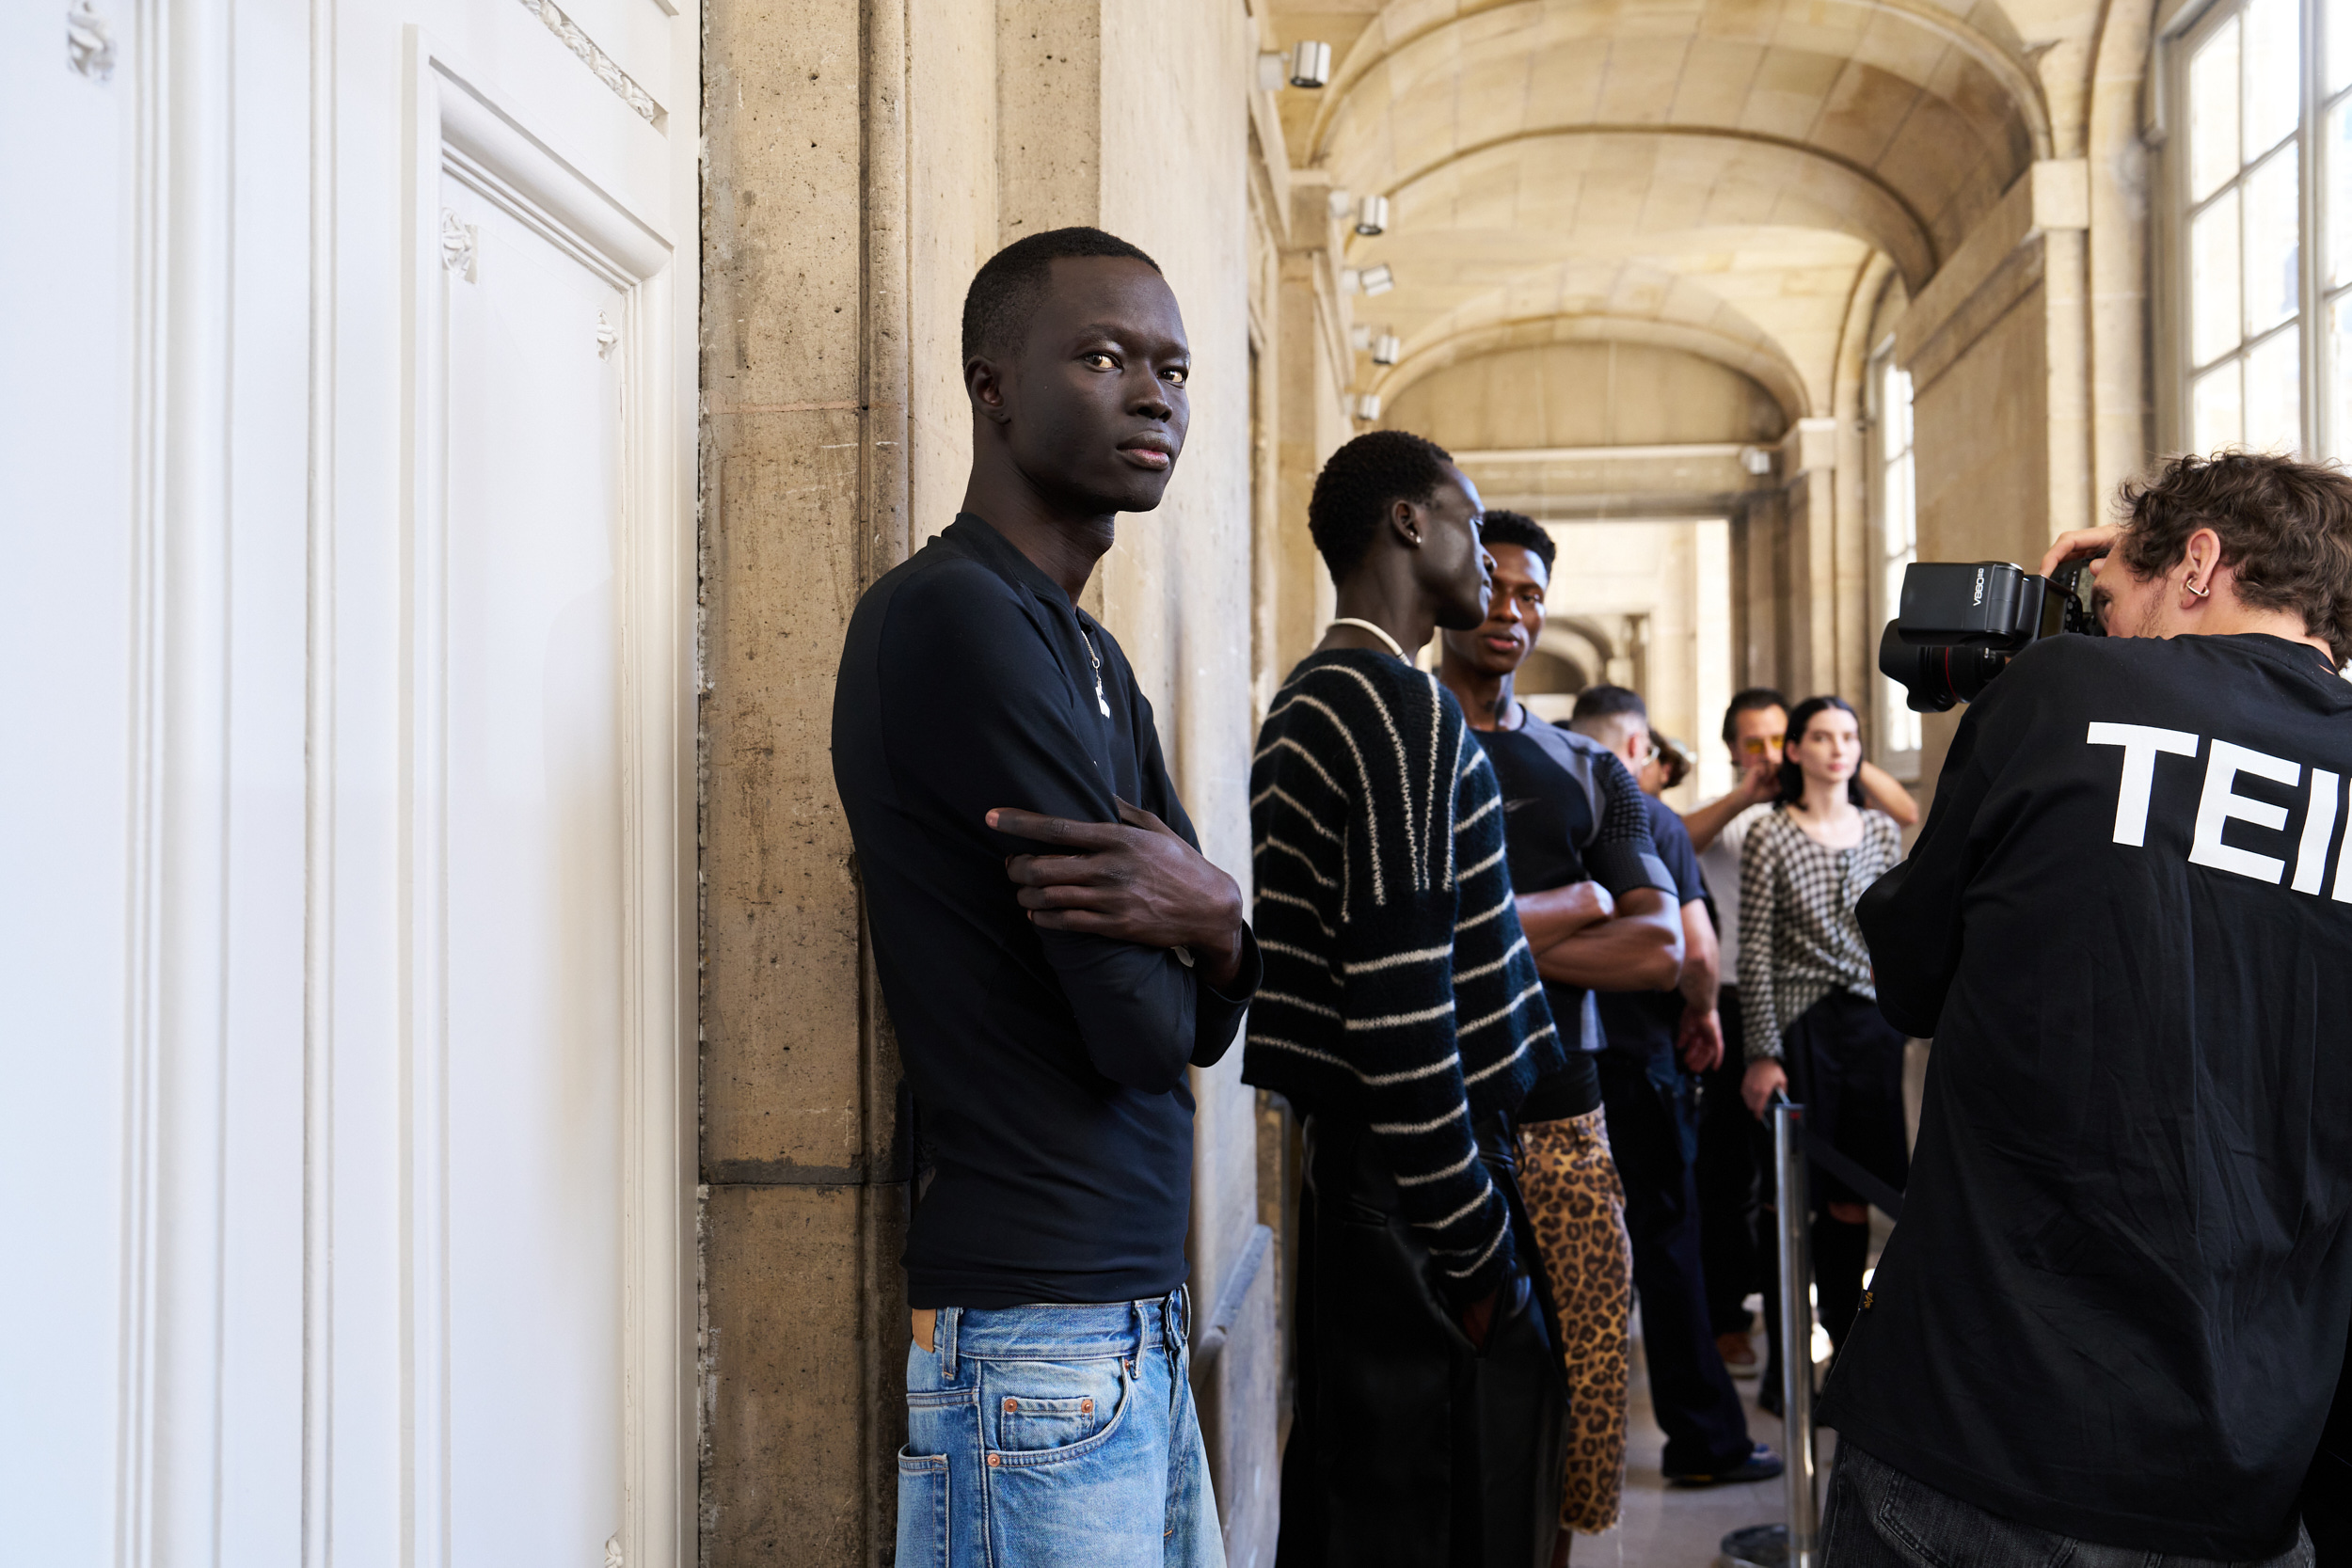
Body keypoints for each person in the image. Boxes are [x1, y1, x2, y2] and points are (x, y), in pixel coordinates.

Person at [1819, 451, 2352, 1565]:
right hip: (2243, 1459)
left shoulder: (2063, 690)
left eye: (2110, 603)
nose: (2105, 629)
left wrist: (2054, 662)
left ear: (2197, 561)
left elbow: (1908, 975)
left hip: (1986, 1422)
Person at [832, 227, 1263, 1568]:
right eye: (1103, 355)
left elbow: (1200, 1009)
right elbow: (1139, 1029)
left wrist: (1214, 914)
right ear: (992, 382)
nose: (1156, 393)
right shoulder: (953, 616)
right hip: (1034, 1334)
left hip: (1117, 1315)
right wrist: (1204, 932)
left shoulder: (1091, 654)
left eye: (1175, 367)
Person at [1247, 437, 1567, 1568]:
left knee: (1364, 1509)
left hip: (1368, 1186)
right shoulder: (1399, 711)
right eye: (1470, 524)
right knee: (1439, 1524)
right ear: (1405, 525)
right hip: (1421, 1191)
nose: (1488, 555)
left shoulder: (1308, 698)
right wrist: (1478, 1251)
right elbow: (1400, 1021)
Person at [1433, 512, 1682, 1542]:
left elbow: (1659, 946)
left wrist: (1468, 942)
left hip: (1561, 1103)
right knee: (1437, 1388)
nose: (1510, 609)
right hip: (1429, 1101)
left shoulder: (1589, 766)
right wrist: (1574, 903)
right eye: (1491, 585)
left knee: (1581, 1382)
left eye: (1530, 593)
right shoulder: (1404, 746)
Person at [1566, 686, 1783, 1489]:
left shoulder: (1543, 816)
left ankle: (1566, 1445)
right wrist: (1705, 1017)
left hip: (1552, 1067)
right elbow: (1695, 956)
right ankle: (1702, 1438)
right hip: (1643, 1065)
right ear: (1633, 751)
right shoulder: (1649, 822)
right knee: (1665, 1249)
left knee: (1568, 1256)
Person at [1683, 693, 1917, 1392]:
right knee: (1791, 1194)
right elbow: (1752, 950)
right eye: (1821, 736)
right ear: (1797, 750)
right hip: (1798, 1022)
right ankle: (1788, 1366)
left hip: (1870, 1027)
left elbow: (1894, 927)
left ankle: (1845, 1361)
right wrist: (1761, 1052)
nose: (1837, 747)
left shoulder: (1880, 830)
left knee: (1852, 1199)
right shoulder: (1770, 832)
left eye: (1849, 735)